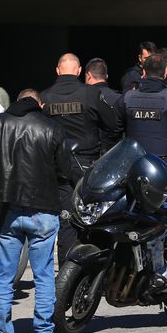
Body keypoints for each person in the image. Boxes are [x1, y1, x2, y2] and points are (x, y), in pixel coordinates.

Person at [0, 89, 70, 333]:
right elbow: (65, 171)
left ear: (18, 101)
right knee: (44, 274)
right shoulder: (52, 127)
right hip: (44, 208)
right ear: (40, 104)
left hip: (8, 208)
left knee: (5, 273)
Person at [41, 53, 120, 263]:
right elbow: (113, 124)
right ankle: (94, 265)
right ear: (78, 71)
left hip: (55, 167)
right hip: (87, 165)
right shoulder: (91, 94)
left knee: (66, 218)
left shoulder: (45, 97)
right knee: (95, 216)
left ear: (57, 71)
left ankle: (67, 267)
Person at [118, 51, 167, 194]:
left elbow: (113, 130)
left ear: (144, 73)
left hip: (134, 164)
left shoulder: (126, 98)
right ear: (165, 74)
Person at [84, 58, 122, 156]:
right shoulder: (119, 98)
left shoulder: (84, 98)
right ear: (106, 76)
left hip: (90, 155)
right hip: (115, 154)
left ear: (88, 75)